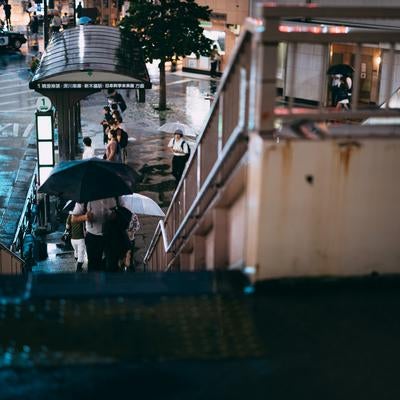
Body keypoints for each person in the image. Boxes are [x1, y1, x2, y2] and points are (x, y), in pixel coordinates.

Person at [71, 198, 117, 271]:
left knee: (112, 267)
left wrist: (115, 215)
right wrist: (85, 217)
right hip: (93, 237)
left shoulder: (115, 194)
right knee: (94, 268)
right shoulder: (85, 197)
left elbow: (124, 211)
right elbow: (73, 218)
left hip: (111, 236)